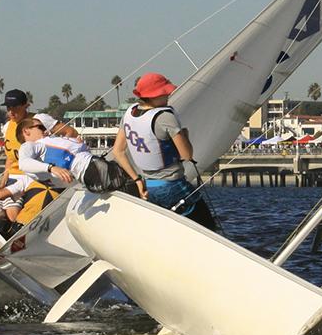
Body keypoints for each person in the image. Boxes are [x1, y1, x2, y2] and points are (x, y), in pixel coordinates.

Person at [112, 72, 216, 231]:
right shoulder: (164, 117)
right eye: (164, 92)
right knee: (208, 229)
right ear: (153, 96)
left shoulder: (128, 114)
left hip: (151, 188)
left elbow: (118, 151)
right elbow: (187, 155)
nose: (168, 94)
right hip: (173, 187)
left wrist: (137, 180)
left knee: (172, 232)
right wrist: (185, 136)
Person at [0, 89, 78, 219]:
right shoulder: (7, 126)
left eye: (15, 107)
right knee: (12, 216)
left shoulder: (38, 120)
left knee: (26, 215)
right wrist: (2, 183)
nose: (11, 112)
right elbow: (10, 159)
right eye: (8, 108)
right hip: (14, 179)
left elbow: (71, 132)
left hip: (38, 177)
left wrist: (63, 160)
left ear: (26, 105)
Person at [17, 117, 133, 194]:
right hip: (94, 170)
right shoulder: (31, 145)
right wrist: (52, 168)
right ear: (26, 131)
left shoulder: (37, 161)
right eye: (41, 127)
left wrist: (78, 146)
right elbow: (23, 163)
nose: (46, 131)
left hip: (92, 175)